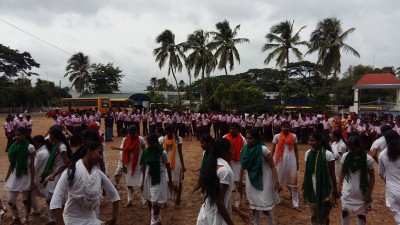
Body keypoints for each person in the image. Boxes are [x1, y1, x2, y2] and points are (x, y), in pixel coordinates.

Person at [50, 141, 120, 225]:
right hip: (71, 221)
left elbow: (115, 195)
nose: (101, 157)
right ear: (89, 151)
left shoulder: (98, 174)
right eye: (99, 153)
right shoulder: (71, 172)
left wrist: (114, 219)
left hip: (91, 220)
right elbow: (55, 202)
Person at [196, 138, 249, 225]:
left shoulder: (213, 163)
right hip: (215, 217)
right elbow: (219, 201)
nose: (233, 152)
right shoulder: (225, 171)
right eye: (231, 149)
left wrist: (239, 213)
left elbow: (223, 199)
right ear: (224, 151)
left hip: (206, 214)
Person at [239, 130, 281, 225]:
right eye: (247, 138)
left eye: (251, 138)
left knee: (266, 207)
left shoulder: (263, 150)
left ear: (257, 139)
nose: (248, 140)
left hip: (265, 180)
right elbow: (242, 166)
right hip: (251, 180)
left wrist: (276, 182)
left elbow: (272, 166)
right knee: (254, 207)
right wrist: (240, 179)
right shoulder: (244, 150)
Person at [303, 131, 339, 225]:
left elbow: (332, 174)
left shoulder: (328, 154)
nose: (310, 142)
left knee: (324, 214)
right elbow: (307, 172)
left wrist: (335, 190)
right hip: (312, 185)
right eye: (309, 140)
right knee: (313, 214)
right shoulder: (308, 153)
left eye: (313, 140)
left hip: (324, 186)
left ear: (319, 142)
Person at [338, 136, 375, 225]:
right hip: (347, 190)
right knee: (344, 212)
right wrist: (339, 186)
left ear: (360, 146)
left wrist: (369, 194)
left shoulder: (368, 159)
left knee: (361, 215)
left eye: (354, 149)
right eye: (349, 149)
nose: (351, 151)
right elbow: (342, 173)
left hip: (361, 192)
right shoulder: (345, 156)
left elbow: (372, 178)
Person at [4, 126, 35, 224]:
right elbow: (12, 163)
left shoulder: (30, 147)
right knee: (10, 200)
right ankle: (16, 217)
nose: (16, 137)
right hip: (15, 175)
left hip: (26, 175)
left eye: (19, 135)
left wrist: (32, 181)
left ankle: (26, 218)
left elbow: (32, 166)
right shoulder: (14, 146)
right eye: (15, 135)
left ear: (25, 135)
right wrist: (7, 176)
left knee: (26, 200)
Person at [140, 133, 173, 225]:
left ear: (156, 143)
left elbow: (168, 166)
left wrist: (170, 181)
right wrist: (143, 181)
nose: (150, 145)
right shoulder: (146, 152)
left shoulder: (162, 152)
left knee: (155, 201)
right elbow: (144, 166)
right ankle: (156, 219)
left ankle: (153, 221)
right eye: (148, 143)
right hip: (148, 177)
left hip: (159, 178)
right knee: (150, 199)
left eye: (152, 144)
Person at [42, 126, 71, 224]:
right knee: (48, 198)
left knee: (58, 199)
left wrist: (54, 174)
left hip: (58, 175)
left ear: (53, 136)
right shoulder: (55, 145)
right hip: (53, 174)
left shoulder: (61, 146)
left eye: (50, 134)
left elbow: (66, 163)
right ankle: (51, 219)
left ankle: (61, 219)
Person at [271, 120, 299, 209]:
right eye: (284, 127)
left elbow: (296, 150)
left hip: (291, 159)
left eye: (287, 127)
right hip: (279, 159)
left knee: (293, 179)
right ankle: (275, 199)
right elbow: (273, 149)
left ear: (290, 127)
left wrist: (297, 161)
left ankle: (295, 203)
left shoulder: (294, 136)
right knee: (277, 178)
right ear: (281, 127)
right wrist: (271, 160)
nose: (286, 128)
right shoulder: (277, 136)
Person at [378, 130, 400, 224]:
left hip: (392, 189)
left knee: (398, 214)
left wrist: (387, 180)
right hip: (393, 187)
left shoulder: (382, 154)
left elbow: (380, 173)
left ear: (386, 140)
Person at [223, 122, 247, 208]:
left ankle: (238, 201)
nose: (231, 130)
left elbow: (245, 151)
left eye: (233, 128)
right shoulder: (225, 137)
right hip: (227, 162)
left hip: (238, 163)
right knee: (228, 181)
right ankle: (245, 189)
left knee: (238, 182)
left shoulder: (243, 139)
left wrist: (244, 163)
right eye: (230, 128)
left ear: (238, 129)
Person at [122, 125, 146, 207]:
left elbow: (145, 152)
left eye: (133, 133)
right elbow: (123, 152)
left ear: (136, 132)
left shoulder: (140, 139)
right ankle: (129, 200)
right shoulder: (125, 139)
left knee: (141, 183)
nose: (131, 135)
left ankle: (144, 201)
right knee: (128, 183)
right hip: (128, 164)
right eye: (130, 133)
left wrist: (143, 163)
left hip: (139, 163)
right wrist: (123, 164)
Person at [163, 124, 185, 208]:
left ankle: (177, 201)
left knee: (177, 183)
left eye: (170, 132)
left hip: (176, 162)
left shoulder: (178, 139)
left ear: (173, 131)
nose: (168, 134)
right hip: (166, 163)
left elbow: (180, 153)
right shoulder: (162, 140)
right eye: (167, 132)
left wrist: (183, 166)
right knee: (166, 182)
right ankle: (165, 200)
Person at [31, 135, 50, 215]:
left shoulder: (40, 153)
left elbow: (35, 167)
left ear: (37, 143)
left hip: (40, 177)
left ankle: (36, 210)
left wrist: (32, 179)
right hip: (46, 175)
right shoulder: (47, 150)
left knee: (35, 192)